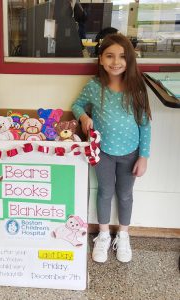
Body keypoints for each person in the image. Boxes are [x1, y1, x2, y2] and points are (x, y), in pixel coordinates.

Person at [71, 33, 151, 263]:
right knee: (105, 192)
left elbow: (145, 125)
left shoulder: (137, 87)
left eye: (122, 57)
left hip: (131, 153)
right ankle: (104, 234)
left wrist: (143, 156)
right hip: (102, 152)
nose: (116, 62)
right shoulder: (95, 86)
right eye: (110, 56)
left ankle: (123, 235)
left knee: (125, 194)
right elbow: (76, 104)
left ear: (130, 60)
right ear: (101, 60)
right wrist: (84, 117)